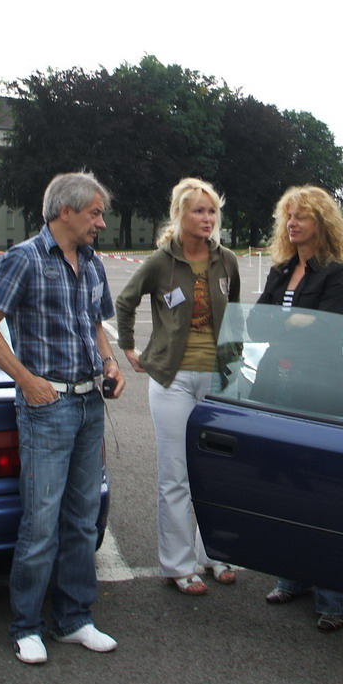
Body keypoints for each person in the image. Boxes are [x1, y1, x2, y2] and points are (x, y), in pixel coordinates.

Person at [0, 171, 125, 665]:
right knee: (41, 523)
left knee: (82, 521)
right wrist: (26, 380)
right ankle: (27, 626)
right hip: (47, 408)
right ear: (65, 211)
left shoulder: (92, 262)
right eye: (95, 214)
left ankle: (74, 619)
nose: (101, 223)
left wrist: (110, 363)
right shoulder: (24, 259)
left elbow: (95, 324)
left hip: (89, 404)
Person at [116, 177, 241, 596]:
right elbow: (125, 302)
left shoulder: (227, 260)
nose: (207, 218)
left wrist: (237, 362)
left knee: (217, 472)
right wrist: (129, 348)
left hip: (218, 378)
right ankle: (178, 564)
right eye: (198, 211)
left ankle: (215, 554)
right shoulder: (160, 262)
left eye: (212, 211)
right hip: (172, 380)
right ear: (179, 215)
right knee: (176, 475)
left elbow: (235, 314)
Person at [253, 185, 343, 632]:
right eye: (289, 217)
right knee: (285, 487)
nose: (293, 224)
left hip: (320, 391)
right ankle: (291, 578)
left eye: (302, 217)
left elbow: (326, 334)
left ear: (321, 223)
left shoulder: (337, 275)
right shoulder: (280, 271)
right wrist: (294, 320)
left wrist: (287, 324)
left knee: (323, 495)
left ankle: (334, 599)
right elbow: (255, 324)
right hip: (276, 386)